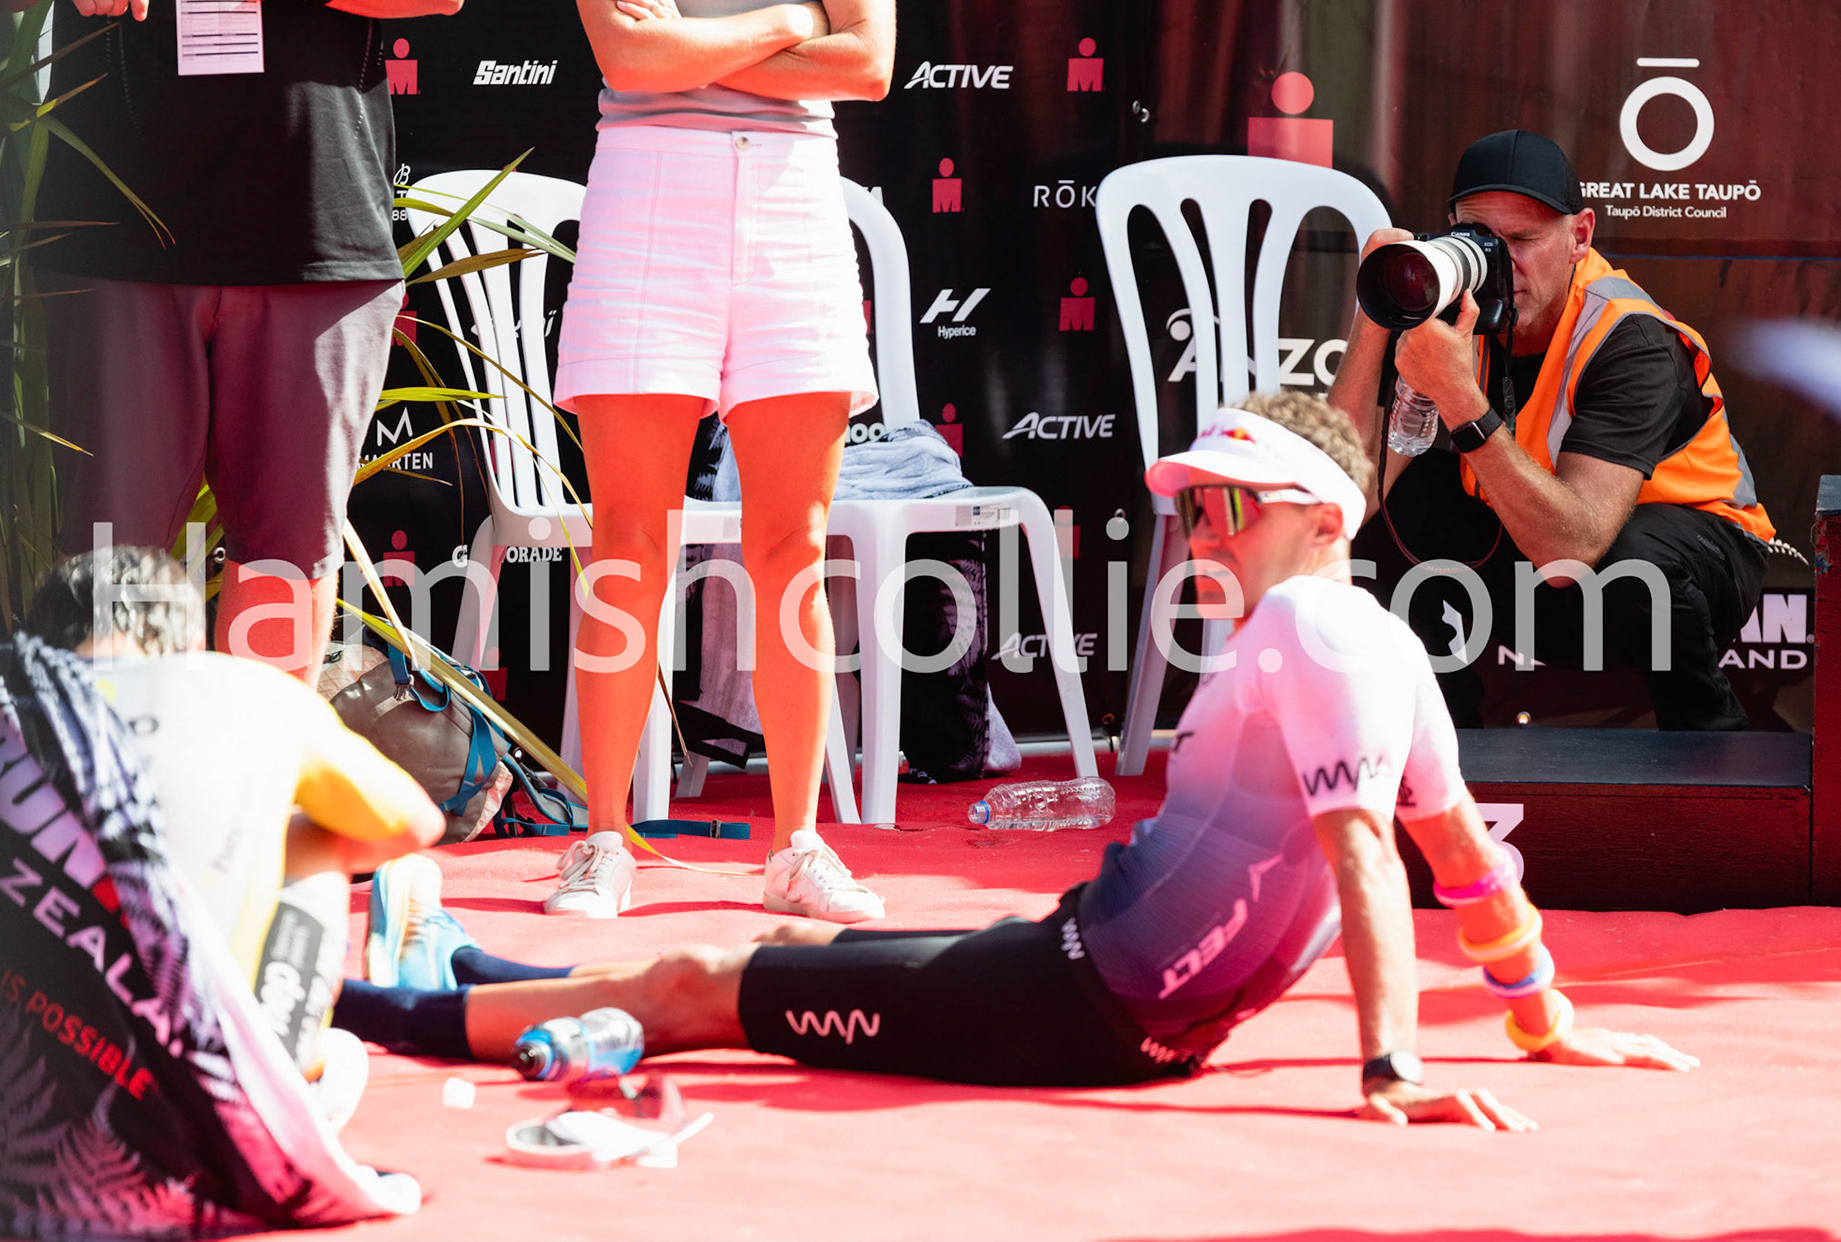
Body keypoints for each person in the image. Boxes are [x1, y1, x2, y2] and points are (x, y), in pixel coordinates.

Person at [335, 393, 1696, 1126]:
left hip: (1074, 1009)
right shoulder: (1387, 651)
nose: (1202, 536)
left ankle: (357, 1011)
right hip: (1083, 977)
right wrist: (1542, 1017)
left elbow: (1371, 865)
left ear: (1322, 518)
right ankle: (474, 973)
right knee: (773, 957)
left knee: (700, 986)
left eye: (1228, 506)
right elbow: (1470, 869)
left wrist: (1391, 1063)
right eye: (1192, 512)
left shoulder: (1307, 625)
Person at [0, 548, 443, 1234]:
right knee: (316, 832)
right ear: (187, 641)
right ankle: (286, 1073)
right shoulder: (252, 692)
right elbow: (415, 824)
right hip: (206, 1131)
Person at [548, 0, 894, 921]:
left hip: (794, 196)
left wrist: (683, 55)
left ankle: (797, 846)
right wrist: (791, 19)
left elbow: (868, 64)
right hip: (647, 191)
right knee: (628, 543)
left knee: (795, 547)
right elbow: (628, 56)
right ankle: (603, 839)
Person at [35, 0, 461, 689]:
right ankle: (104, 761)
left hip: (316, 223)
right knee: (108, 560)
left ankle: (255, 765)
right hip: (114, 224)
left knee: (284, 561)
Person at [1328, 129, 1775, 731]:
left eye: (1522, 240)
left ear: (1579, 236)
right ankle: (1443, 737)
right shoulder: (1447, 303)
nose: (1500, 262)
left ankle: (1709, 736)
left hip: (1682, 573)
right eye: (1481, 238)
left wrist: (1460, 399)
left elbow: (1573, 553)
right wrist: (1378, 309)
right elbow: (1342, 496)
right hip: (1540, 558)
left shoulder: (1631, 338)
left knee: (1635, 559)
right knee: (1390, 511)